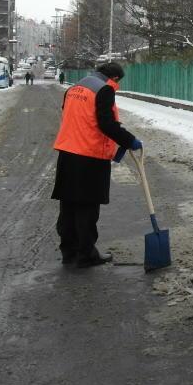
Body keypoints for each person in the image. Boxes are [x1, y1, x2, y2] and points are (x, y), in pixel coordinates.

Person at [51, 62, 141, 268]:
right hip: (89, 155)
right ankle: (86, 255)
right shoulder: (104, 89)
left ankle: (69, 252)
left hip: (67, 152)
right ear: (115, 78)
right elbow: (106, 123)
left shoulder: (75, 88)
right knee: (87, 207)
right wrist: (129, 140)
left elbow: (78, 119)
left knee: (69, 204)